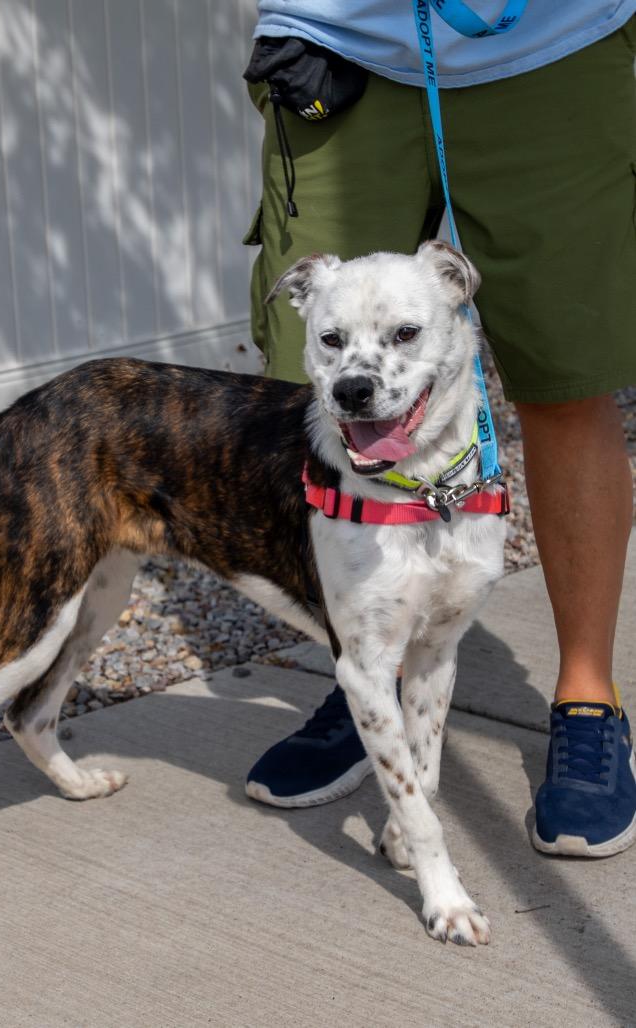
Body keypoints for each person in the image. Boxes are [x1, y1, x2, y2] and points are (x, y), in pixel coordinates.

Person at [241, 1, 636, 856]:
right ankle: (365, 675)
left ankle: (587, 697)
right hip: (341, 42)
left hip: (552, 41)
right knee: (319, 383)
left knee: (568, 378)